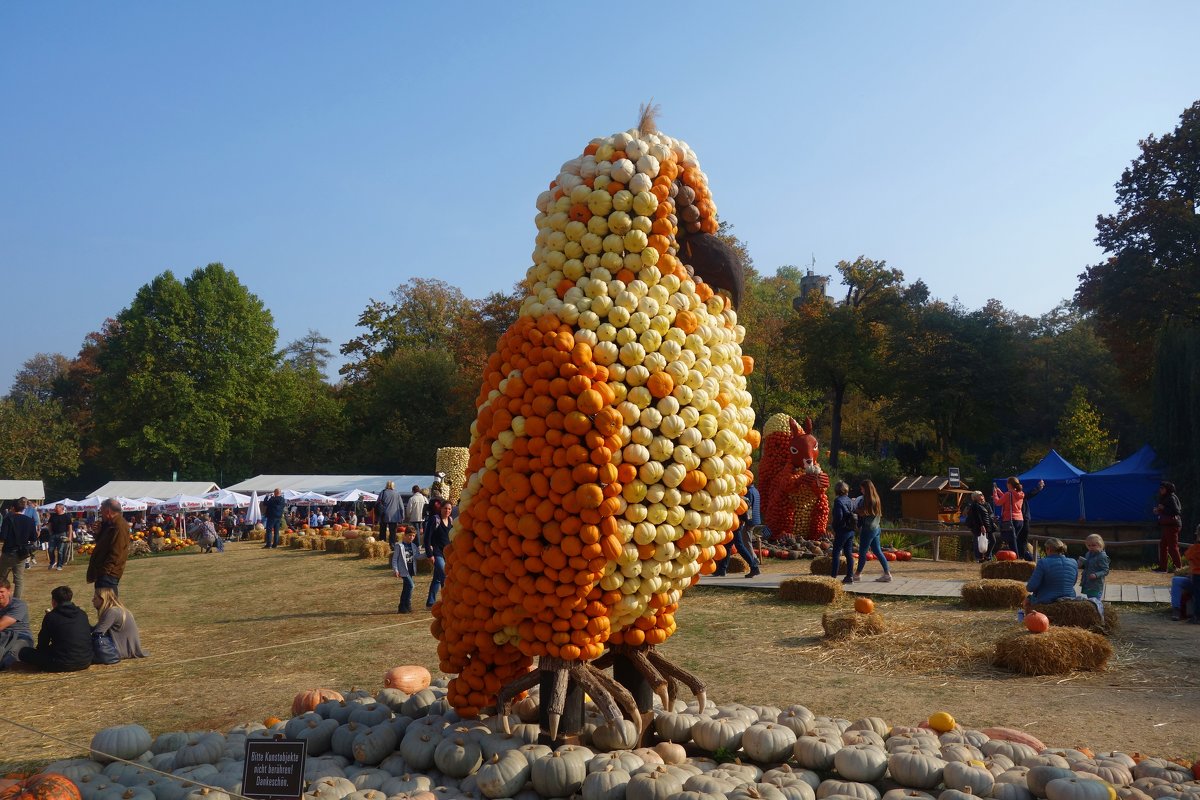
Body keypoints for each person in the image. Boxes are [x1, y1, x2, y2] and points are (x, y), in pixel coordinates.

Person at [17, 585, 92, 672]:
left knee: (23, 652)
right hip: (85, 661)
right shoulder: (82, 614)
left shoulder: (51, 617)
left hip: (61, 664)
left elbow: (43, 644)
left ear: (54, 602)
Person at [714, 483, 762, 578]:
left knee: (740, 546)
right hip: (733, 523)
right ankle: (722, 569)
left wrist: (746, 521)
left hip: (736, 523)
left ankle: (754, 567)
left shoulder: (738, 497)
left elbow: (745, 509)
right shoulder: (738, 495)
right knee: (728, 545)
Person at [88, 498, 130, 597]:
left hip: (108, 574)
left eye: (101, 511)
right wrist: (98, 533)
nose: (101, 514)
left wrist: (105, 572)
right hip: (104, 572)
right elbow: (104, 545)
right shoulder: (110, 525)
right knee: (104, 605)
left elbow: (116, 552)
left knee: (108, 605)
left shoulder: (119, 526)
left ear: (108, 511)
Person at [853, 480, 892, 582]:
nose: (861, 490)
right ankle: (887, 573)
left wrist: (854, 507)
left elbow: (863, 513)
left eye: (862, 488)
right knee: (877, 551)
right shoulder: (876, 498)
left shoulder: (867, 499)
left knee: (862, 552)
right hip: (876, 528)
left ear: (866, 488)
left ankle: (857, 574)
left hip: (868, 529)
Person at [1024, 538, 1077, 611]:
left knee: (1027, 599)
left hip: (1047, 600)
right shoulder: (1074, 562)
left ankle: (1025, 620)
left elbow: (1031, 587)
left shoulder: (1043, 562)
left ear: (1048, 549)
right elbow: (1073, 583)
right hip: (1070, 597)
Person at [92, 586, 146, 658]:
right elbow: (96, 628)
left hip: (123, 651)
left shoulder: (112, 612)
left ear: (102, 599)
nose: (92, 600)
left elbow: (97, 633)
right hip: (127, 650)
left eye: (95, 598)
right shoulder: (117, 610)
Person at [1, 499, 40, 599]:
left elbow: (3, 536)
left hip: (8, 552)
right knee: (19, 580)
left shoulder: (8, 519)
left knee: (1, 578)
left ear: (13, 508)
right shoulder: (29, 520)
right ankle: (17, 601)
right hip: (22, 553)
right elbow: (34, 538)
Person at [423, 499, 453, 608]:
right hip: (437, 553)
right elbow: (427, 538)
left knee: (437, 578)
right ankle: (446, 600)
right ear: (440, 509)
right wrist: (429, 554)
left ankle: (430, 602)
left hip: (447, 554)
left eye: (449, 509)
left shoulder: (450, 520)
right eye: (445, 508)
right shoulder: (435, 520)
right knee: (444, 575)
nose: (447, 510)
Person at [0, 578, 33, 669]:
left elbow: (1, 625)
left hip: (20, 637)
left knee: (8, 660)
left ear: (9, 591)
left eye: (1, 591)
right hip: (2, 637)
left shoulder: (18, 605)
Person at [994, 477, 1030, 561]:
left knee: (1012, 541)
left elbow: (998, 502)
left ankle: (1016, 559)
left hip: (1010, 520)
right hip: (1020, 520)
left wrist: (995, 493)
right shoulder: (1020, 494)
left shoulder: (1008, 494)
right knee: (1015, 540)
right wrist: (999, 491)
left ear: (1009, 484)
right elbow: (1008, 499)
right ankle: (1019, 557)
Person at [1152, 481, 1183, 573]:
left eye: (1162, 488)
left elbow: (1177, 511)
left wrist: (1163, 508)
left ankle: (1179, 568)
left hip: (1172, 526)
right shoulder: (1166, 497)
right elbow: (1167, 511)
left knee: (1172, 547)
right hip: (1167, 526)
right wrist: (1158, 511)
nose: (1160, 490)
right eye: (1160, 488)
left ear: (1167, 489)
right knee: (1163, 546)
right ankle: (1163, 567)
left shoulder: (1171, 497)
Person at [830, 481, 856, 584]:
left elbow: (838, 516)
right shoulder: (850, 501)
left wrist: (834, 526)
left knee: (836, 553)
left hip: (842, 530)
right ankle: (849, 576)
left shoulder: (838, 501)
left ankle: (833, 577)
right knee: (848, 553)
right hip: (850, 529)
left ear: (837, 490)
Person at [391, 528, 420, 613]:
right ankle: (407, 603)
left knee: (406, 588)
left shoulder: (414, 546)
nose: (411, 537)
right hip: (403, 571)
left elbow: (417, 556)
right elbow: (395, 559)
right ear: (405, 535)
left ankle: (403, 607)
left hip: (411, 570)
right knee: (411, 586)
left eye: (413, 536)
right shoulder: (399, 546)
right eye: (410, 535)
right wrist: (396, 570)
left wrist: (428, 554)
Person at [965, 491, 999, 562]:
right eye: (980, 495)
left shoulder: (987, 504)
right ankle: (979, 558)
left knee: (992, 541)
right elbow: (977, 517)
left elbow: (990, 514)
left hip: (988, 526)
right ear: (975, 497)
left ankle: (987, 556)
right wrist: (981, 526)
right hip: (978, 527)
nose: (982, 496)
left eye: (982, 494)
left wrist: (993, 518)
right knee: (978, 542)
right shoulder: (974, 505)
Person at [1077, 534, 1111, 600]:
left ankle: (1098, 609)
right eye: (1089, 545)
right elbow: (1089, 564)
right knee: (1089, 598)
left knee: (1095, 600)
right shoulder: (1088, 553)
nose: (1091, 547)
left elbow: (1106, 570)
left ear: (1100, 544)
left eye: (1093, 545)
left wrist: (1096, 575)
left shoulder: (1102, 556)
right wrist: (1082, 561)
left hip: (1096, 584)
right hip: (1087, 581)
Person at [1180, 528, 1200, 624]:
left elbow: (1190, 563)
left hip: (1197, 575)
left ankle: (1196, 616)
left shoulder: (1194, 549)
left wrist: (1191, 575)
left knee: (1197, 596)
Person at [47, 504, 73, 571]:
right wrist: (50, 532)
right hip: (53, 535)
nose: (55, 508)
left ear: (61, 508)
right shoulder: (53, 516)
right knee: (50, 550)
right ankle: (52, 562)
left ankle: (59, 565)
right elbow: (49, 524)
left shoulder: (66, 516)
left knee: (60, 551)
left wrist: (69, 537)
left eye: (56, 507)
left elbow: (70, 527)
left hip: (62, 535)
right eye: (55, 507)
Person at [377, 481, 403, 546]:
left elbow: (377, 503)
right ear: (393, 485)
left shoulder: (382, 492)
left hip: (384, 515)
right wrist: (402, 515)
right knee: (393, 532)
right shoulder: (397, 493)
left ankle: (383, 545)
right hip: (394, 515)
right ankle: (392, 545)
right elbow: (401, 506)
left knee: (382, 531)